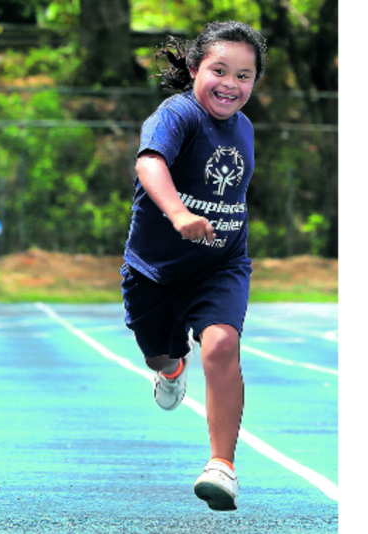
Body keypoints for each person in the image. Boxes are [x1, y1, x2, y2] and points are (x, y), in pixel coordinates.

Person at [121, 21, 266, 512]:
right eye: (219, 70)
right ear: (194, 69)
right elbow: (149, 163)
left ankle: (222, 466)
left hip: (220, 264)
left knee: (223, 344)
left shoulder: (244, 127)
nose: (231, 84)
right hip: (155, 271)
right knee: (159, 355)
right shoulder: (177, 115)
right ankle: (171, 366)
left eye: (244, 76)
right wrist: (180, 214)